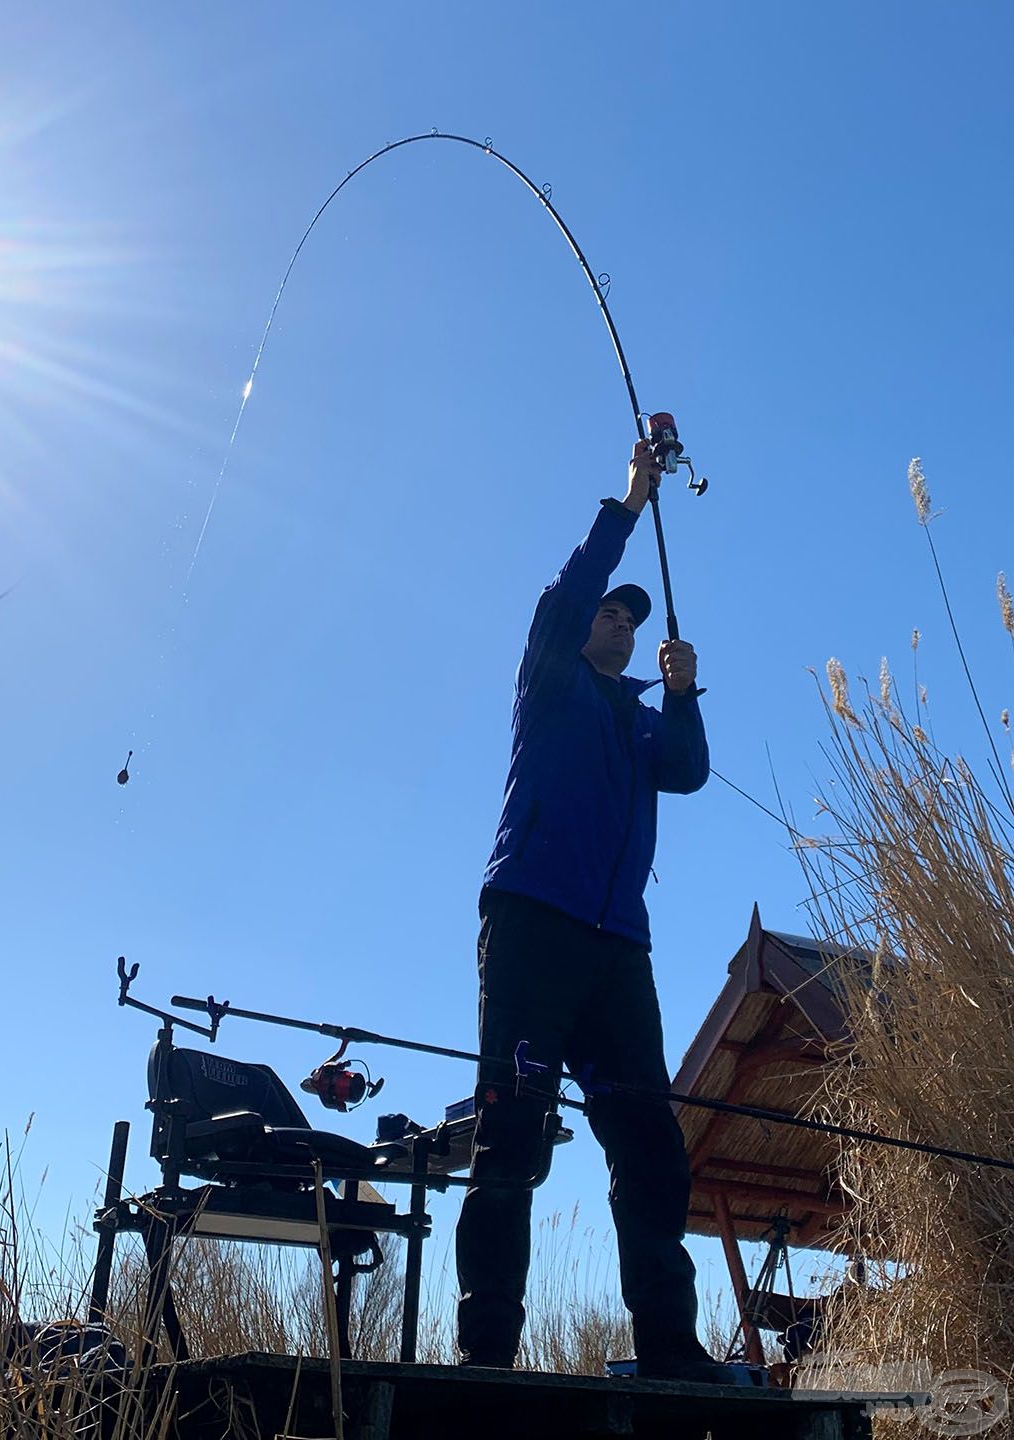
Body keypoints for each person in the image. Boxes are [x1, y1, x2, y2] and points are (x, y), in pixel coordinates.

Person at [455, 440, 739, 1384]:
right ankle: (486, 1351)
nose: (618, 624)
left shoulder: (645, 716)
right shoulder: (550, 673)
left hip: (620, 948)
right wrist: (628, 503)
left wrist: (688, 692)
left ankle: (669, 1343)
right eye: (611, 614)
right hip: (532, 922)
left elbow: (690, 773)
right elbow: (564, 595)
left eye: (629, 619)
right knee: (513, 1129)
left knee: (649, 1147)